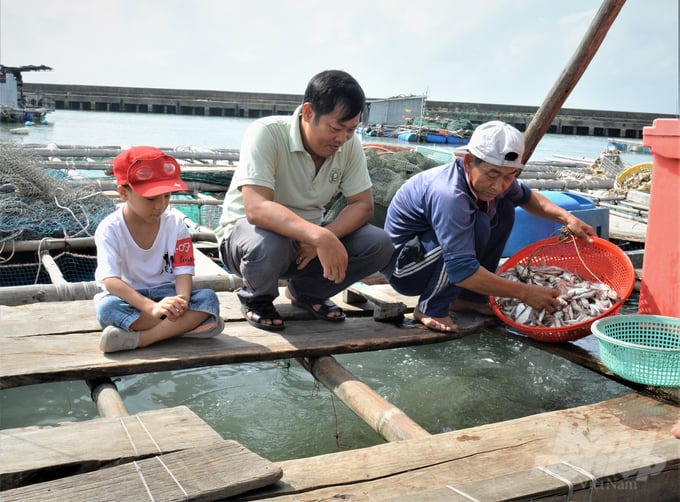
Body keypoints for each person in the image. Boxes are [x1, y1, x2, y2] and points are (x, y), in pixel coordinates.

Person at [215, 70, 394, 331]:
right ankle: (257, 298)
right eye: (336, 128)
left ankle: (308, 293)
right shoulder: (266, 133)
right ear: (308, 113)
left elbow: (362, 205)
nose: (342, 138)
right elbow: (257, 208)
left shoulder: (348, 144)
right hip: (251, 240)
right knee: (269, 241)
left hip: (305, 247)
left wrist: (323, 235)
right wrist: (318, 237)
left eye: (351, 130)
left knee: (379, 244)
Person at [383, 121, 597, 333]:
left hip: (430, 258)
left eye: (509, 176)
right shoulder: (449, 194)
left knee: (504, 208)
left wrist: (569, 219)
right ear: (468, 162)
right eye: (492, 175)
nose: (499, 185)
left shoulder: (497, 182)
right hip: (405, 270)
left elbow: (528, 197)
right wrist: (525, 292)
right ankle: (431, 308)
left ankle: (468, 298)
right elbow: (461, 269)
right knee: (476, 227)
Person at [94, 146, 224, 352]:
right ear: (123, 193)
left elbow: (183, 270)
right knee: (107, 308)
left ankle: (142, 338)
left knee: (208, 298)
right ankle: (185, 327)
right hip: (131, 298)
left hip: (168, 294)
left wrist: (181, 302)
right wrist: (151, 307)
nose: (160, 206)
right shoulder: (110, 228)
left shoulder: (175, 224)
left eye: (166, 196)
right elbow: (110, 281)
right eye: (151, 199)